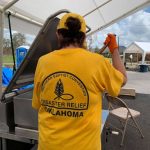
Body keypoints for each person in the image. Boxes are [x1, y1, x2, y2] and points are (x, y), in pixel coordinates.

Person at [32, 13, 127, 150]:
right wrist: (114, 49)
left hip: (49, 145)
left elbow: (37, 104)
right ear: (83, 37)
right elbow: (122, 80)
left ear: (58, 34)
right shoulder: (98, 62)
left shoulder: (43, 62)